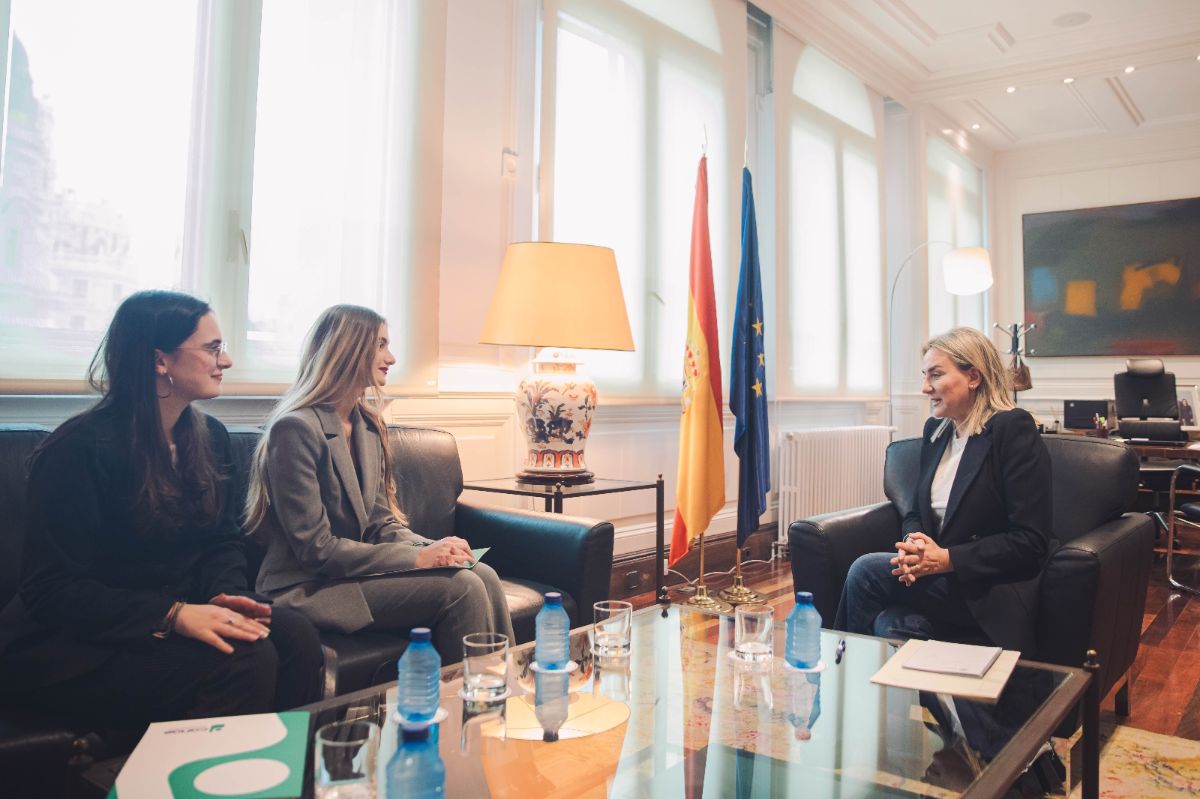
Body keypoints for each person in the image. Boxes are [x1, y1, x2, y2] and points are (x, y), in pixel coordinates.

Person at [0, 291, 324, 725]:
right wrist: (173, 615)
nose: (226, 361)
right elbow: (51, 589)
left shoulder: (211, 437)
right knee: (245, 659)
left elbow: (222, 541)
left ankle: (285, 764)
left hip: (172, 612)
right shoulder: (77, 450)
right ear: (159, 360)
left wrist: (227, 597)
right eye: (212, 348)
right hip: (76, 643)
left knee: (297, 636)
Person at [245, 304, 514, 661]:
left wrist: (436, 548)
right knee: (462, 587)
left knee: (484, 574)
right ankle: (473, 693)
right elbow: (316, 549)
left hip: (355, 574)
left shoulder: (368, 426)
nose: (391, 357)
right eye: (381, 345)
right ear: (349, 348)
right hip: (308, 586)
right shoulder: (295, 429)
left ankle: (502, 689)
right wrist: (417, 558)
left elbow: (380, 523)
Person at [833, 326, 1053, 655]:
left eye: (935, 375)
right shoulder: (936, 430)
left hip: (988, 587)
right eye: (925, 376)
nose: (925, 388)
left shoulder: (1012, 428)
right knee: (893, 623)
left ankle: (839, 673)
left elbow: (1030, 541)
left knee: (866, 572)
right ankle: (876, 681)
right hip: (939, 581)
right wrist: (915, 543)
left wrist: (946, 559)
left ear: (973, 377)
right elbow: (914, 511)